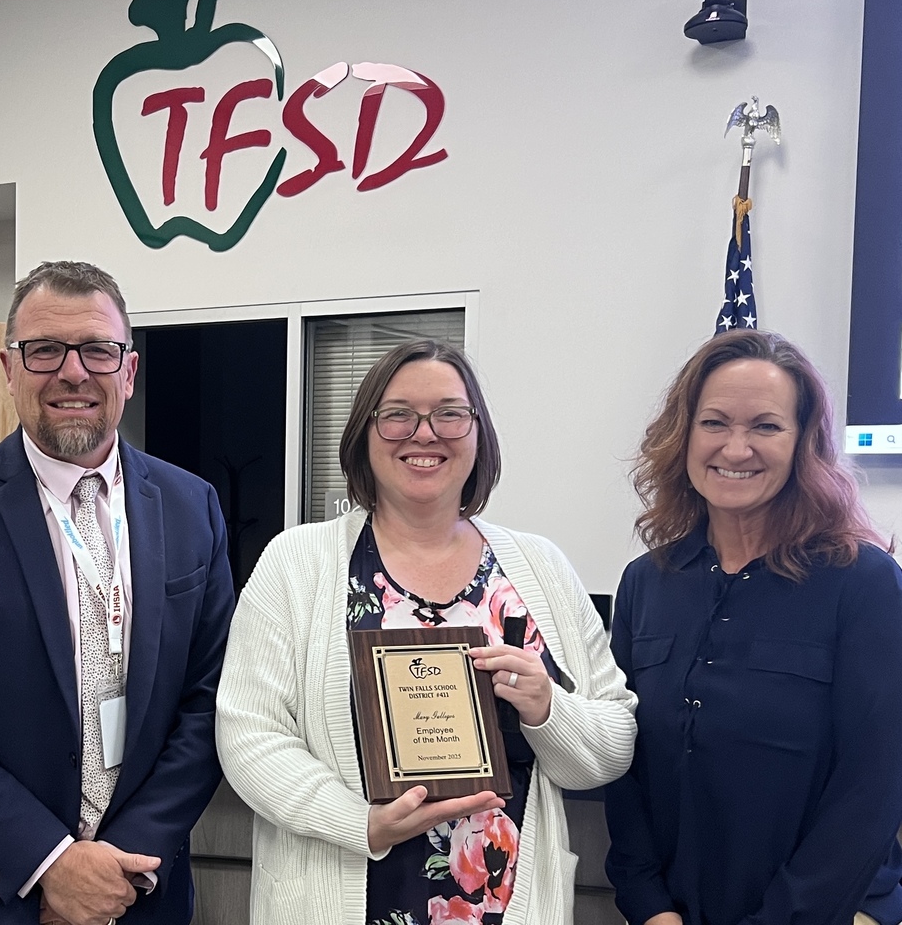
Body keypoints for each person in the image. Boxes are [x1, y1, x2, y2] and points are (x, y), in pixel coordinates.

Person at [216, 338, 636, 925]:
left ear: (478, 432)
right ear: (365, 433)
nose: (424, 433)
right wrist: (358, 822)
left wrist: (548, 709)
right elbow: (248, 734)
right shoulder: (296, 563)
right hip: (336, 899)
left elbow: (612, 747)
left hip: (505, 906)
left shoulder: (540, 569)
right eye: (398, 415)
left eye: (449, 413)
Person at [0, 261, 235, 925]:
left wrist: (120, 862)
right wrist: (49, 862)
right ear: (9, 368)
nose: (73, 372)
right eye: (44, 350)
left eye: (98, 349)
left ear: (128, 370)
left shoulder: (193, 506)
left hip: (136, 891)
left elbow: (209, 702)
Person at [605, 329, 902, 925]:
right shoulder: (645, 582)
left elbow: (872, 785)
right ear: (683, 436)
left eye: (765, 426)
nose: (735, 449)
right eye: (714, 422)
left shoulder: (863, 582)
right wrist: (647, 903)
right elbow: (624, 758)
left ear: (803, 444)